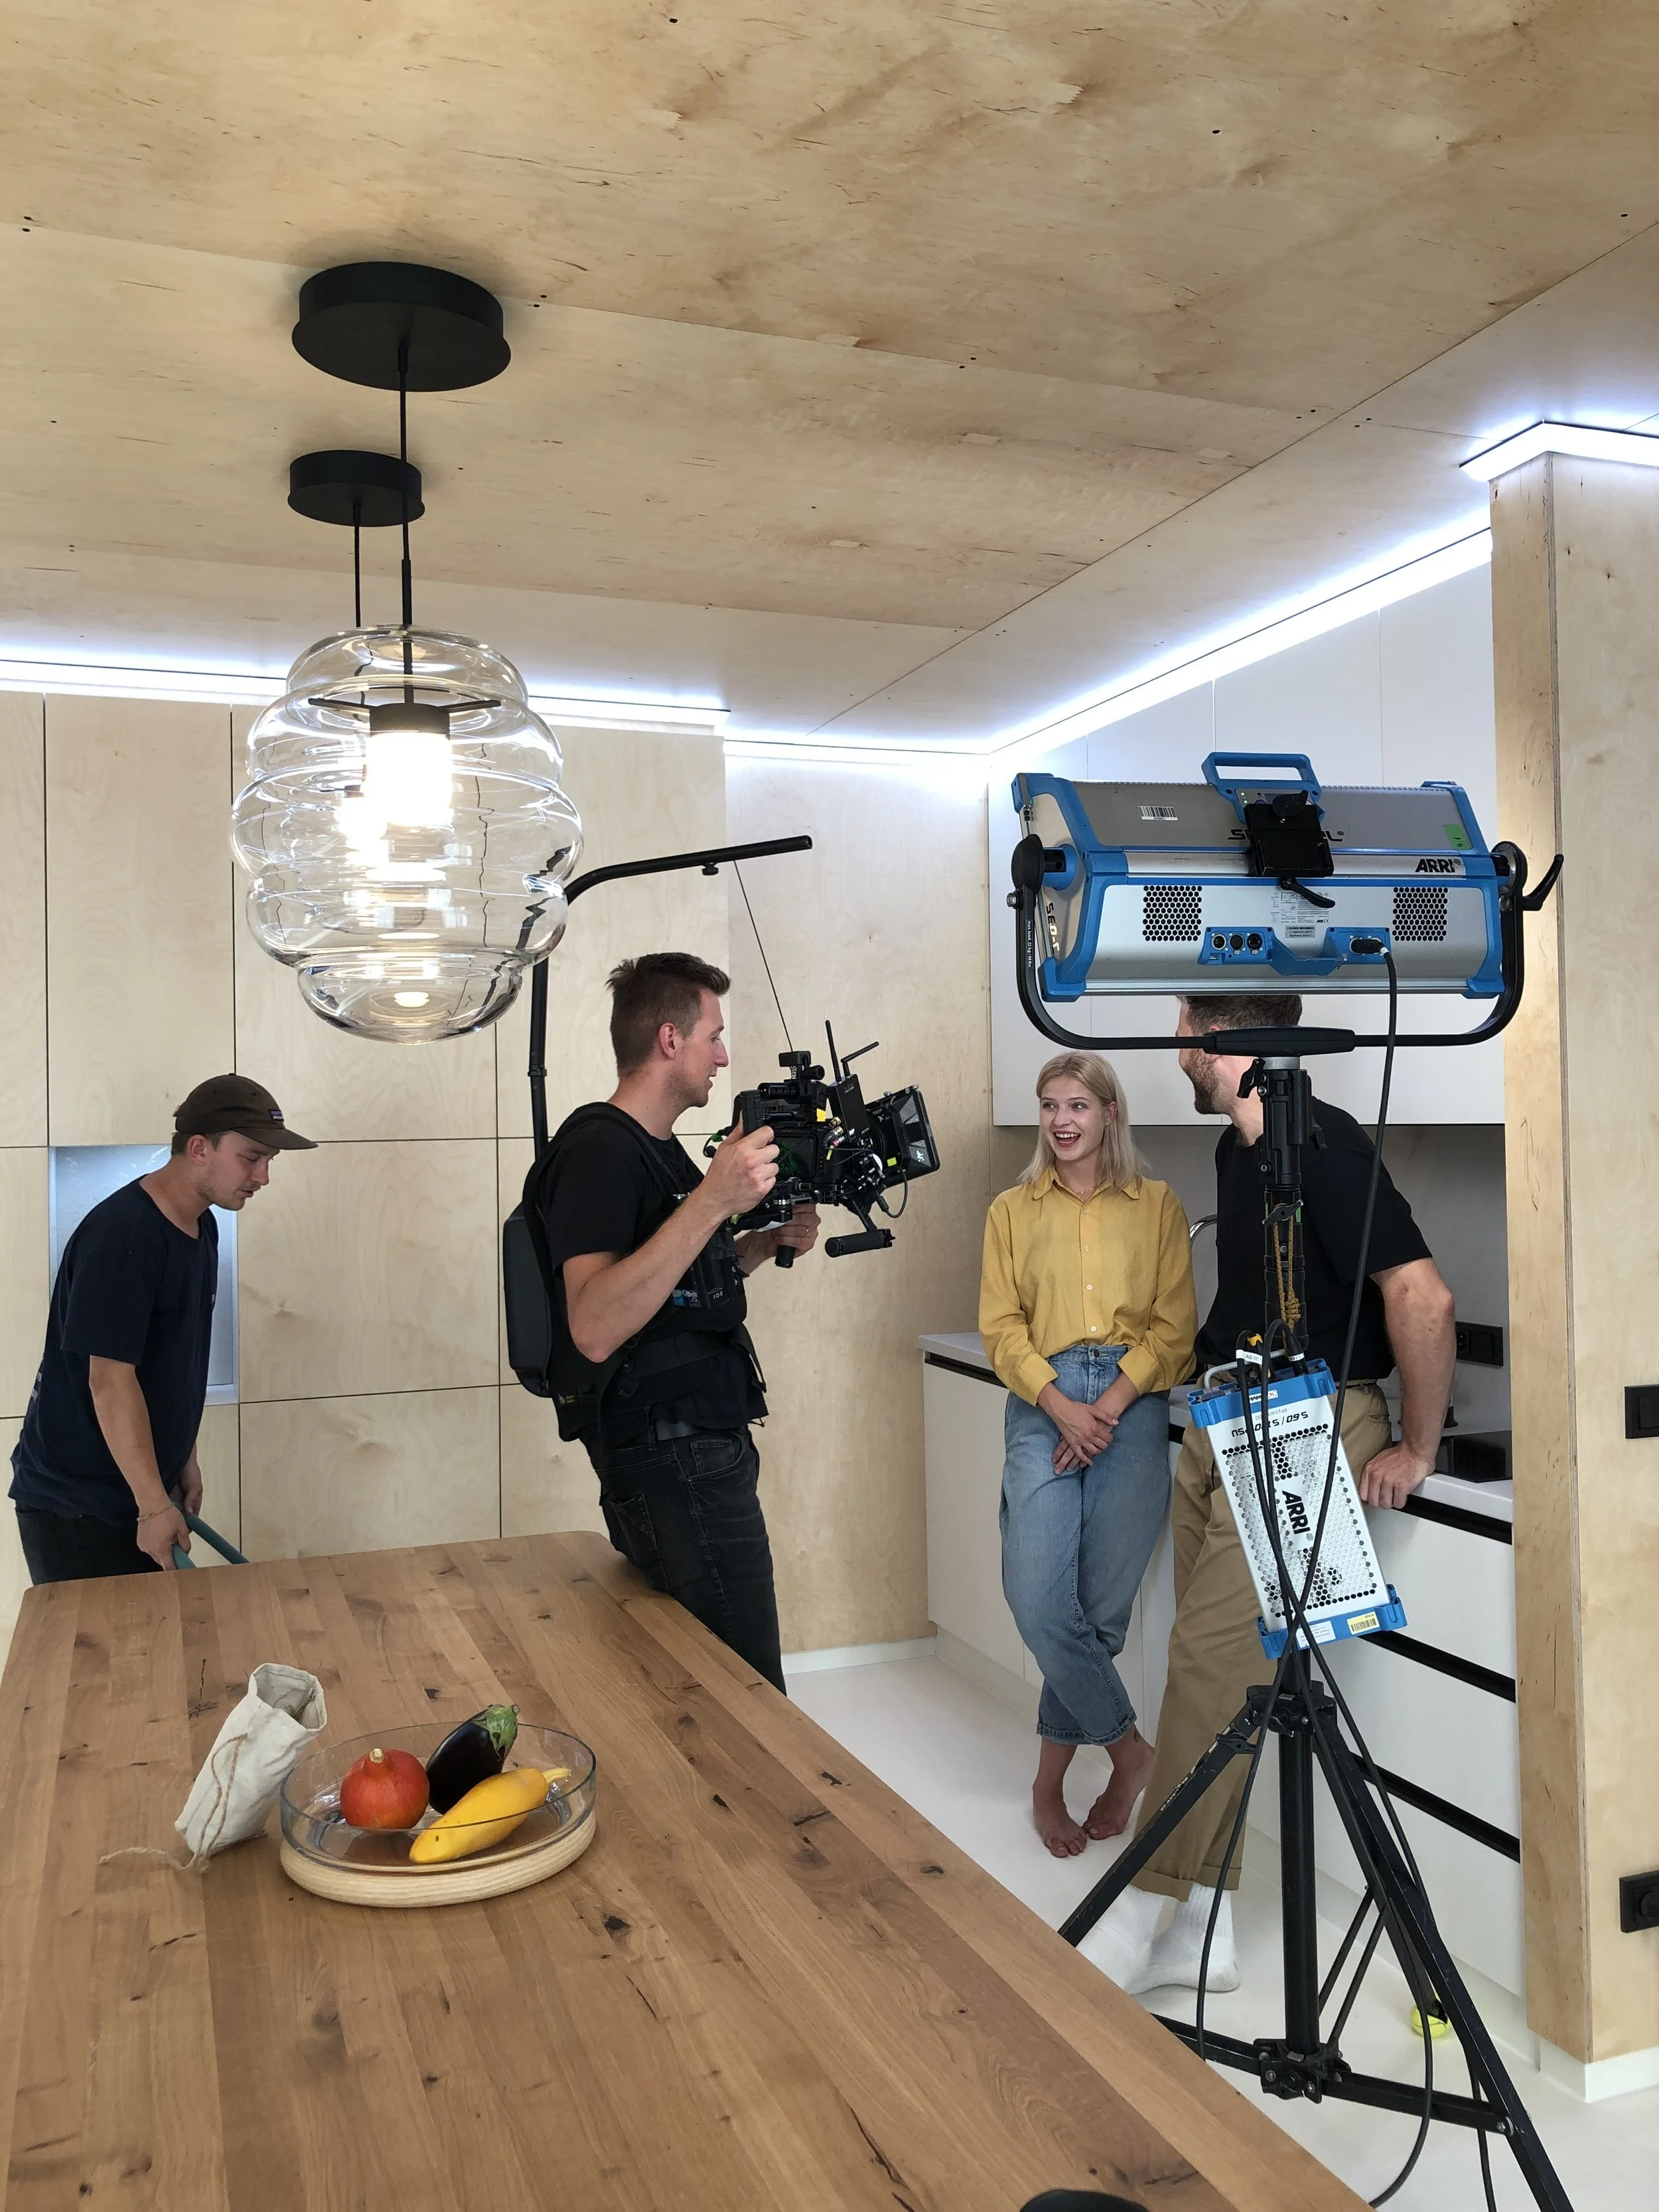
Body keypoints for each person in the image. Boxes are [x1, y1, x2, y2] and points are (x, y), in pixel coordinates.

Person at [1084, 994, 1456, 1996]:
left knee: (1214, 1657)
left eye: (1181, 1035)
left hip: (1313, 1421)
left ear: (1218, 1040)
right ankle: (1204, 1934)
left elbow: (1420, 1295)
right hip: (1227, 1416)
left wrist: (1418, 1446)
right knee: (1203, 1664)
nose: (1174, 1053)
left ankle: (1140, 1911)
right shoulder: (1235, 1155)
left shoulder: (1322, 1144)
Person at [525, 952, 819, 1694]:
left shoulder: (661, 1157)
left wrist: (756, 1244)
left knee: (696, 1687)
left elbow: (674, 1293)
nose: (723, 1056)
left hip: (695, 1453)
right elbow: (593, 1324)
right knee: (749, 1694)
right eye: (713, 1036)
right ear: (668, 1040)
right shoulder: (596, 1149)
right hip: (671, 1461)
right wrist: (715, 1201)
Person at [980, 1053, 1198, 1860]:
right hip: (1043, 1404)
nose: (1061, 1121)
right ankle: (1128, 1753)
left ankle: (1051, 1788)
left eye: (1077, 1104)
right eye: (1048, 1106)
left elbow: (1176, 1329)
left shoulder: (1158, 1205)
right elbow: (1000, 1327)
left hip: (1130, 1408)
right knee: (1040, 1602)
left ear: (1110, 1112)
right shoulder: (1011, 1209)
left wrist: (1105, 1408)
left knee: (1097, 1617)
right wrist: (1062, 1406)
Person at [10, 1074, 315, 1582]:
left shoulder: (203, 1225)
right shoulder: (123, 1235)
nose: (262, 1176)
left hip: (139, 1490)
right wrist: (153, 1506)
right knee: (108, 1661)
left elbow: (176, 1360)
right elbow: (108, 1381)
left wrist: (182, 1459)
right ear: (199, 1147)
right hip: (80, 1507)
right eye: (251, 1157)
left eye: (269, 1162)